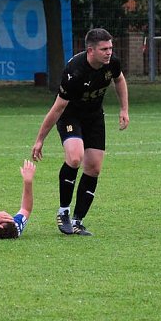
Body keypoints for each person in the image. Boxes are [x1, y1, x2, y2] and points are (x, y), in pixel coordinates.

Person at [31, 28, 129, 236]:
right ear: (90, 50)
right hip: (70, 116)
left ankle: (78, 221)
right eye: (104, 49)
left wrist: (124, 109)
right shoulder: (74, 71)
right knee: (75, 158)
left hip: (94, 117)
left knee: (93, 168)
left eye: (110, 48)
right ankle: (63, 212)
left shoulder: (112, 64)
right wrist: (40, 140)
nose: (109, 52)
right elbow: (57, 108)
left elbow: (119, 80)